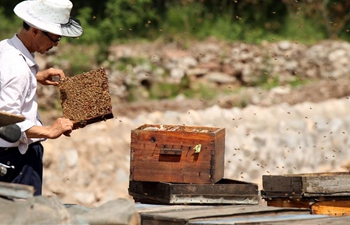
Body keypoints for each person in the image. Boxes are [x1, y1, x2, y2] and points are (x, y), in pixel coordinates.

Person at [0, 0, 83, 195]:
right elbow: (6, 124)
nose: (55, 45)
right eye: (54, 38)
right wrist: (49, 131)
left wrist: (34, 77)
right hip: (15, 161)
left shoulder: (5, 48)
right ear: (35, 31)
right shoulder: (18, 69)